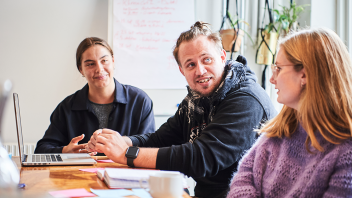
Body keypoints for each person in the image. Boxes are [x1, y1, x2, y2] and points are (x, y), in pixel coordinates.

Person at [86, 22, 277, 198]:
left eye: (207, 60)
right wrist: (115, 142)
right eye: (191, 64)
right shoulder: (195, 100)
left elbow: (204, 157)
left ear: (222, 57)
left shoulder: (246, 99)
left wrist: (127, 154)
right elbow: (159, 139)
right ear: (182, 70)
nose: (200, 71)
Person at [227, 28, 352, 198]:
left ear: (305, 74)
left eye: (278, 68)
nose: (272, 79)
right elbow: (243, 178)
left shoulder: (345, 154)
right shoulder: (279, 132)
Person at [35, 37, 155, 154]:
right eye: (90, 64)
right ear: (81, 69)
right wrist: (65, 151)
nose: (99, 69)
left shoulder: (139, 101)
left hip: (125, 173)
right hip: (78, 174)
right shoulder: (67, 107)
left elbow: (151, 147)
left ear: (113, 61)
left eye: (104, 61)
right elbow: (41, 149)